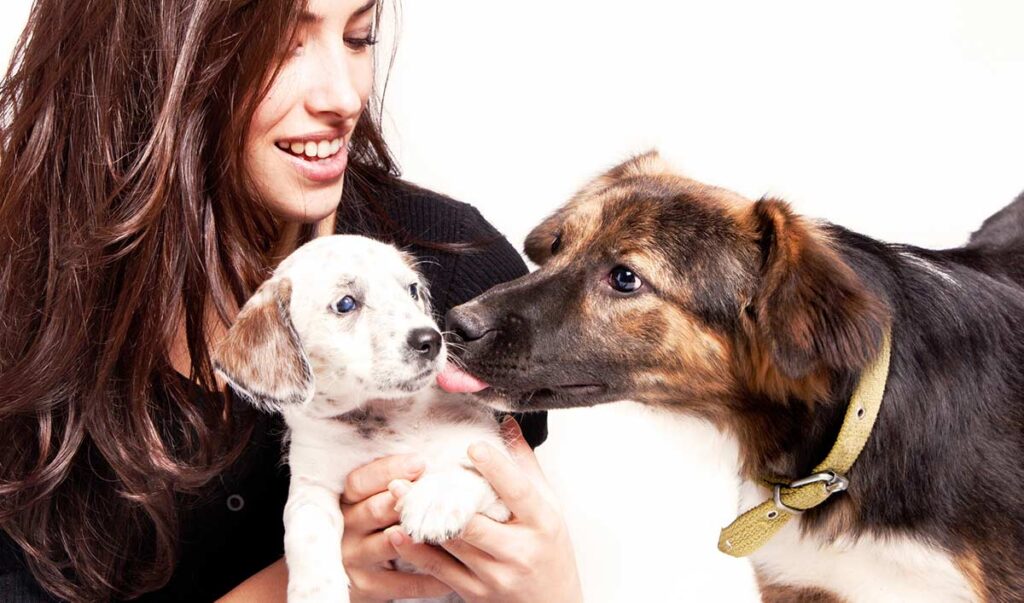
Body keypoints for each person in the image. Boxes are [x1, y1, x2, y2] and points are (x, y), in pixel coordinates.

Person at [0, 0, 583, 601]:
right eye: (283, 45)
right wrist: (320, 578)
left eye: (359, 38)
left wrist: (554, 584)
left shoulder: (460, 268)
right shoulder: (23, 306)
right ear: (147, 63)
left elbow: (513, 537)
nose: (345, 97)